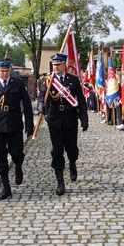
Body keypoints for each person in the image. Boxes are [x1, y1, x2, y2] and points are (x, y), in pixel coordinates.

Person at [0, 60, 34, 200]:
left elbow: (27, 105)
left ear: (10, 71)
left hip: (15, 123)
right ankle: (6, 187)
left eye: (7, 71)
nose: (4, 73)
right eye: (2, 71)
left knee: (17, 153)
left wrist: (30, 125)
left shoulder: (18, 84)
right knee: (1, 157)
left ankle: (18, 166)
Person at [37, 53, 88, 196]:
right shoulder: (48, 81)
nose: (56, 67)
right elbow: (42, 96)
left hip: (70, 118)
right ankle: (60, 182)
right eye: (54, 65)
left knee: (72, 149)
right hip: (54, 120)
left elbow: (81, 101)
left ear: (64, 65)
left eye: (58, 64)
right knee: (57, 151)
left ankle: (72, 162)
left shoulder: (73, 80)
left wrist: (84, 119)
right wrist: (41, 106)